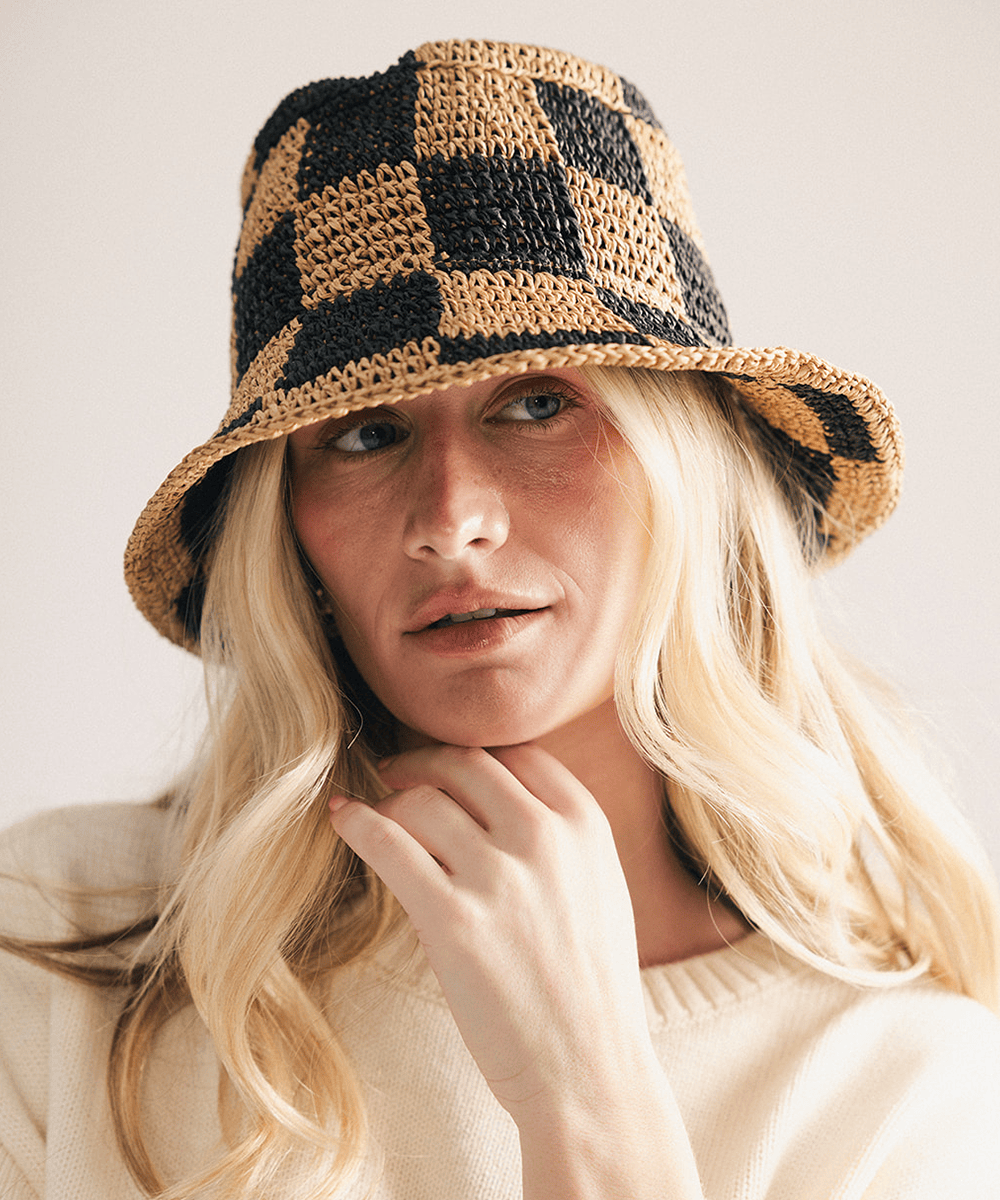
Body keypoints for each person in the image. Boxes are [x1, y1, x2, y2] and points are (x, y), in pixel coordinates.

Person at [2, 38, 998, 1200]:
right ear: (290, 530)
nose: (451, 520)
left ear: (688, 470)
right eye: (365, 435)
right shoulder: (63, 951)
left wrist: (585, 1092)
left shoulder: (893, 1099)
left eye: (536, 405)